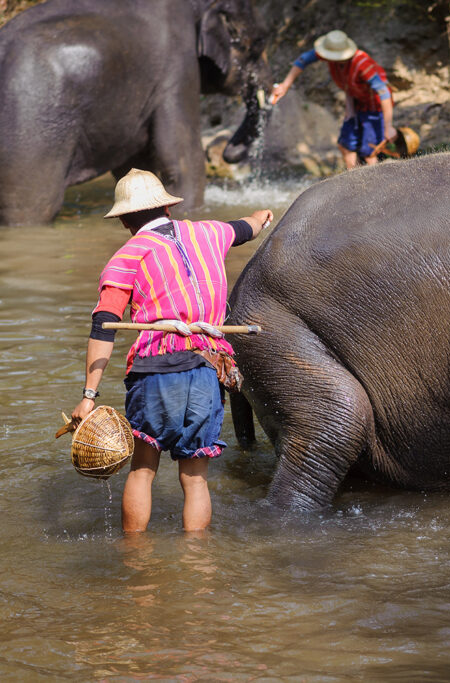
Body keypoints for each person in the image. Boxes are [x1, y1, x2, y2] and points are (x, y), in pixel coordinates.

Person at [70, 169, 273, 534]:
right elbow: (247, 226)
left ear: (124, 221)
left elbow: (104, 326)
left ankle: (135, 562)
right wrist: (262, 217)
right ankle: (196, 565)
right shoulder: (210, 232)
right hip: (205, 366)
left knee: (143, 471)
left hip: (155, 370)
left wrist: (88, 395)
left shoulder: (126, 257)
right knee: (195, 480)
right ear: (167, 206)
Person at [270, 29, 397, 170]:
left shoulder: (362, 63)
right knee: (345, 145)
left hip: (375, 107)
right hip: (356, 103)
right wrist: (285, 85)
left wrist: (388, 126)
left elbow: (383, 92)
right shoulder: (332, 56)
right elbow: (303, 60)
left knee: (370, 152)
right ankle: (355, 183)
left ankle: (375, 186)